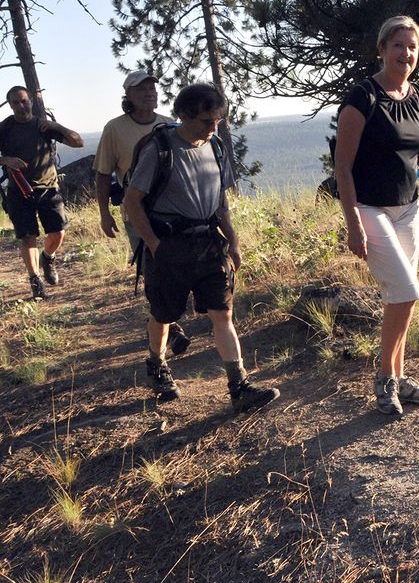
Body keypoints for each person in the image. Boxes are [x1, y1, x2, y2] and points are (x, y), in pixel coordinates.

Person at [334, 15, 419, 416]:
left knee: (401, 299)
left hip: (408, 209)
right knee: (407, 293)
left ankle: (399, 377)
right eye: (398, 45)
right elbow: (342, 167)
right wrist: (353, 223)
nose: (406, 53)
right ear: (382, 48)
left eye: (412, 47)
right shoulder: (361, 98)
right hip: (369, 208)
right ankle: (384, 381)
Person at [124, 82, 278, 413]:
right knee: (164, 314)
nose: (213, 128)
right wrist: (153, 245)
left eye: (217, 120)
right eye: (206, 121)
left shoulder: (215, 146)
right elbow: (132, 201)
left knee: (223, 313)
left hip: (209, 244)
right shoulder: (160, 150)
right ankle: (157, 365)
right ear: (183, 115)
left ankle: (239, 387)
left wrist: (233, 240)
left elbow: (219, 201)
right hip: (171, 246)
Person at [93, 69, 191, 354]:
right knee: (153, 268)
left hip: (172, 213)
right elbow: (103, 173)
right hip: (136, 213)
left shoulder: (169, 125)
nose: (149, 93)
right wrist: (104, 213)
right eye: (141, 89)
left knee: (173, 266)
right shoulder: (114, 128)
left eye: (152, 88)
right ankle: (171, 327)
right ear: (128, 96)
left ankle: (168, 319)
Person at [0, 86, 84, 299]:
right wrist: (4, 160)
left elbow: (78, 142)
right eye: (16, 103)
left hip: (48, 189)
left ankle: (48, 257)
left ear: (30, 101)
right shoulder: (5, 128)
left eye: (24, 101)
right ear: (10, 105)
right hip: (19, 191)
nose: (22, 106)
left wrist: (58, 127)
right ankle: (35, 279)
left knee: (58, 233)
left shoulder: (43, 125)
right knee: (28, 236)